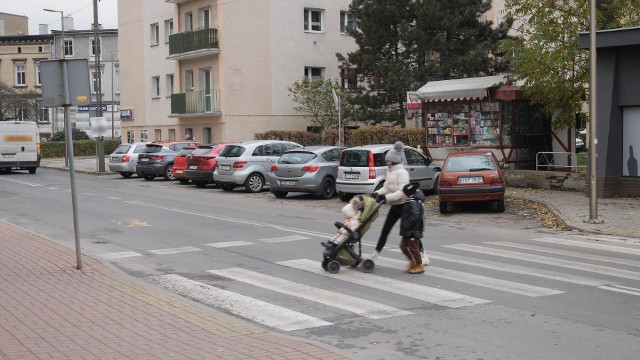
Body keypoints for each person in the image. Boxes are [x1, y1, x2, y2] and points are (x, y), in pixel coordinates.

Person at [370, 141, 410, 260]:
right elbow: (386, 188)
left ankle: (422, 255)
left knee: (409, 233)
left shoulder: (403, 173)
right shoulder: (390, 171)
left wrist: (385, 198)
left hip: (404, 207)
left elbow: (402, 193)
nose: (387, 162)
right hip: (394, 206)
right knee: (385, 230)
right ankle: (375, 255)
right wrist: (377, 193)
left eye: (388, 160)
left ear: (394, 160)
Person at [399, 183, 428, 274]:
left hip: (413, 231)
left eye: (403, 193)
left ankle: (419, 265)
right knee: (403, 246)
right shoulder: (408, 202)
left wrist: (406, 224)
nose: (402, 194)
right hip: (407, 231)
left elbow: (415, 216)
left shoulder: (413, 204)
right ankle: (412, 261)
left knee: (414, 249)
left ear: (408, 194)